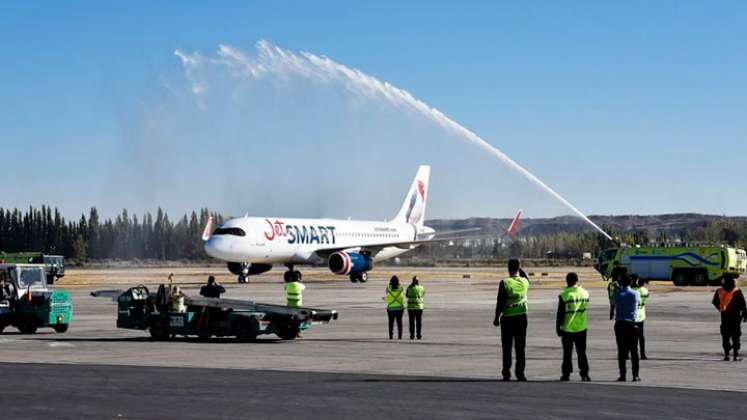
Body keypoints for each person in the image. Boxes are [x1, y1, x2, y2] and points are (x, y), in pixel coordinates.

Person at [493, 259, 530, 381]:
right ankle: (520, 373)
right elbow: (526, 277)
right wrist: (520, 269)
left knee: (507, 347)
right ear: (519, 268)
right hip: (521, 317)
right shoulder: (524, 282)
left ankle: (506, 373)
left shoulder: (505, 283)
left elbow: (500, 302)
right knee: (520, 347)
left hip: (508, 318)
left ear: (508, 268)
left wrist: (496, 317)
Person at [556, 272, 590, 382]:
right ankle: (584, 374)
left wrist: (558, 327)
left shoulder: (564, 295)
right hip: (581, 327)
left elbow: (560, 313)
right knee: (581, 352)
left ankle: (566, 374)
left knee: (567, 353)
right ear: (577, 280)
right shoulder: (585, 293)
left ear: (567, 281)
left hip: (568, 328)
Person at [611, 272, 641, 382]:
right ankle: (635, 375)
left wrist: (617, 289)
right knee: (634, 351)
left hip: (620, 324)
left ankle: (622, 375)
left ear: (620, 282)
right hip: (632, 324)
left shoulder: (617, 294)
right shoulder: (635, 293)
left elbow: (613, 302)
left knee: (622, 351)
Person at [712, 275, 747, 361]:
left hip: (725, 317)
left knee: (725, 336)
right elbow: (743, 304)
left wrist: (720, 309)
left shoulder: (719, 291)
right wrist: (745, 315)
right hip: (736, 318)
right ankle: (735, 355)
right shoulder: (737, 291)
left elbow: (714, 302)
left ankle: (726, 355)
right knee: (736, 336)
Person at [631, 274, 649, 359]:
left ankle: (630, 353)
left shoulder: (632, 290)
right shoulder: (644, 290)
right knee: (641, 336)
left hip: (632, 316)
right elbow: (647, 294)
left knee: (630, 336)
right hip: (641, 316)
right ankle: (642, 354)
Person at [406, 276, 426, 340]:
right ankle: (419, 335)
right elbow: (423, 294)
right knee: (419, 322)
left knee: (411, 322)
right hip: (419, 307)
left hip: (411, 307)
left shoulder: (409, 288)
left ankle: (412, 335)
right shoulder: (422, 288)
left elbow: (407, 295)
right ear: (418, 281)